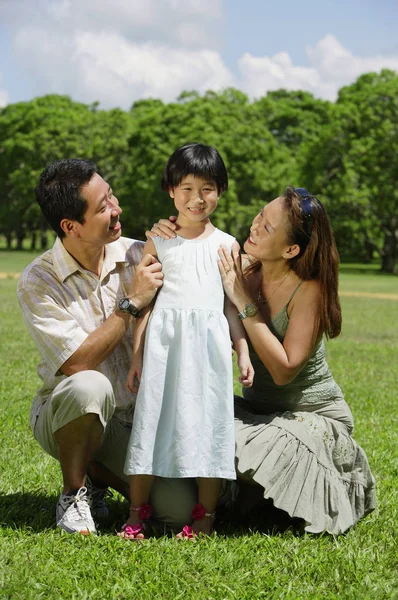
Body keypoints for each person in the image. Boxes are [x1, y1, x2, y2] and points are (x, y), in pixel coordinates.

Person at [152, 186, 376, 535]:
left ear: (291, 249)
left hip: (309, 418)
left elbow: (284, 370)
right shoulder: (236, 265)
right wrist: (169, 231)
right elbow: (184, 265)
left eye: (267, 227)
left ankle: (260, 492)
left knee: (274, 441)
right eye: (259, 216)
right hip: (258, 414)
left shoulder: (308, 290)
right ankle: (257, 493)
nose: (254, 227)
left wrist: (244, 301)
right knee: (194, 417)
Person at [17, 158, 197, 536]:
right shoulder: (39, 279)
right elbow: (78, 363)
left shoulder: (140, 255)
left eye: (111, 195)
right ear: (71, 226)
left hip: (136, 418)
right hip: (68, 413)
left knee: (179, 511)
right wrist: (130, 303)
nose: (117, 210)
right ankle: (73, 492)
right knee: (89, 385)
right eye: (102, 207)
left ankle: (97, 472)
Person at [119, 143, 254, 540]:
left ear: (221, 190)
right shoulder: (158, 241)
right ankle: (135, 512)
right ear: (171, 191)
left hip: (208, 352)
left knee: (210, 425)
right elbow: (147, 302)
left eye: (208, 188)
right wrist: (137, 356)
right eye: (187, 188)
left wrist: (243, 349)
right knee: (151, 423)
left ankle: (205, 516)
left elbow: (231, 306)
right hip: (164, 348)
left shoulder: (228, 245)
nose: (197, 199)